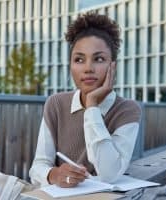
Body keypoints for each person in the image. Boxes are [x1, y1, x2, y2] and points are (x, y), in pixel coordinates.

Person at [29, 12, 141, 188]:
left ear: (113, 66)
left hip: (99, 196)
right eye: (79, 59)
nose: (88, 68)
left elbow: (109, 174)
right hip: (58, 193)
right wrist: (54, 174)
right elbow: (38, 167)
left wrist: (92, 107)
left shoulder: (127, 110)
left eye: (99, 59)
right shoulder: (56, 104)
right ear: (70, 65)